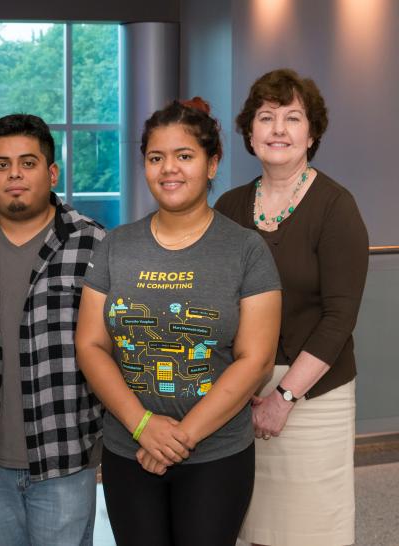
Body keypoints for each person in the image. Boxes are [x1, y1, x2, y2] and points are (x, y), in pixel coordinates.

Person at [75, 98, 282, 546]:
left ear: (212, 164)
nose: (169, 169)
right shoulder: (115, 246)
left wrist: (181, 437)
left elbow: (257, 359)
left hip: (216, 454)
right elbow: (90, 345)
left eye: (184, 156)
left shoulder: (246, 250)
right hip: (128, 449)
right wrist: (143, 426)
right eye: (156, 158)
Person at [215, 69, 369, 546]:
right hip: (243, 392)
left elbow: (339, 318)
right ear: (249, 131)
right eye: (266, 117)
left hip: (314, 396)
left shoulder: (335, 207)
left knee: (312, 531)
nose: (278, 129)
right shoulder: (230, 207)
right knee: (251, 527)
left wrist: (284, 398)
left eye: (292, 118)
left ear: (312, 133)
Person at [0, 113, 106, 546]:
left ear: (52, 173)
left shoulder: (93, 243)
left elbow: (114, 348)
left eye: (28, 163)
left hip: (66, 454)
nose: (14, 174)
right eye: (2, 164)